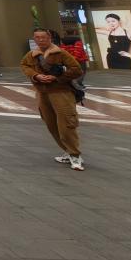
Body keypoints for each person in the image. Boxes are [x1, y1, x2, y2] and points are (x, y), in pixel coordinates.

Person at [21, 28, 85, 171]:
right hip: (42, 93)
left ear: (49, 38)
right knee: (51, 123)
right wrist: (36, 76)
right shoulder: (32, 55)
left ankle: (75, 154)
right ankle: (67, 151)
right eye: (37, 37)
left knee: (66, 123)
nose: (40, 40)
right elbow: (24, 65)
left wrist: (57, 78)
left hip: (61, 92)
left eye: (43, 37)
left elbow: (77, 69)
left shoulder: (60, 53)